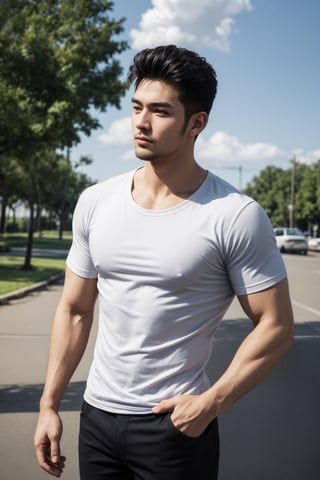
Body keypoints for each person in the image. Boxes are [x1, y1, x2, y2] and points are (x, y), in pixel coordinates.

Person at [34, 45, 294, 479]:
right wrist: (48, 405)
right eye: (136, 107)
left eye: (159, 111)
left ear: (197, 123)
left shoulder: (234, 213)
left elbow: (277, 325)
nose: (141, 121)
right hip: (96, 419)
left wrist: (210, 404)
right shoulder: (96, 202)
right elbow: (76, 311)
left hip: (174, 427)